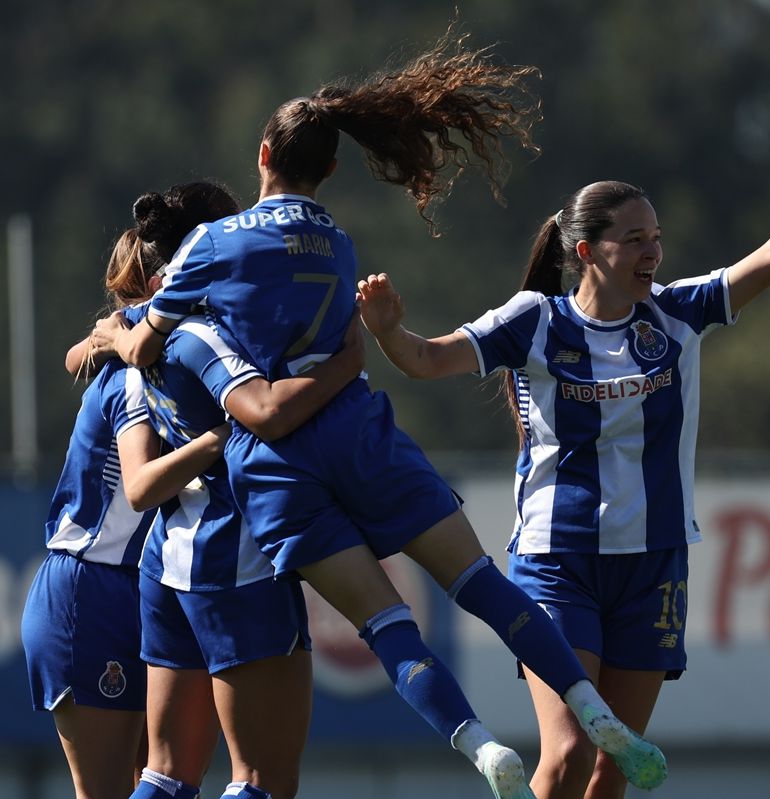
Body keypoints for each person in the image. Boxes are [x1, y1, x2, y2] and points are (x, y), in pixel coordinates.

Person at [92, 28, 667, 798]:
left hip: (274, 466)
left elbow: (147, 348)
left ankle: (479, 746)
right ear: (331, 168)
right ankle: (594, 710)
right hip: (358, 428)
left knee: (386, 624)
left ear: (263, 154)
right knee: (479, 580)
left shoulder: (211, 244)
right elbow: (352, 345)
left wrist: (107, 332)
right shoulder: (338, 241)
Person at [355, 142, 770, 799]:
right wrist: (389, 331)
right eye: (633, 239)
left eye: (656, 238)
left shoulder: (675, 315)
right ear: (586, 251)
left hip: (652, 563)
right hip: (557, 563)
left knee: (611, 768)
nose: (652, 253)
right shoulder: (533, 321)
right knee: (564, 754)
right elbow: (425, 359)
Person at [58, 183, 366, 799]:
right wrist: (345, 360)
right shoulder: (210, 332)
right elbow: (268, 414)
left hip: (169, 555)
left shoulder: (144, 333)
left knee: (166, 775)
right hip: (235, 549)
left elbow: (82, 352)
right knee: (262, 780)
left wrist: (110, 334)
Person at [21, 184, 244, 799]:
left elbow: (83, 349)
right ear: (160, 285)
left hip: (148, 584)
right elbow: (142, 485)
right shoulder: (134, 376)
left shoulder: (169, 355)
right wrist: (220, 437)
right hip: (90, 589)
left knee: (167, 781)